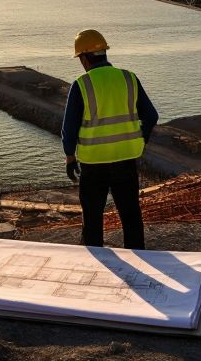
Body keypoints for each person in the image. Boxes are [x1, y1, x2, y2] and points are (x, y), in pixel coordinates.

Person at [61, 29, 158, 250]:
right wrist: (140, 140)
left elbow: (70, 127)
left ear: (84, 58)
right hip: (126, 159)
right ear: (104, 52)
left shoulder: (82, 84)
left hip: (93, 163)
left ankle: (96, 257)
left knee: (93, 215)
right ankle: (138, 255)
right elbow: (151, 116)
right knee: (130, 212)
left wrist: (69, 157)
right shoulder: (128, 77)